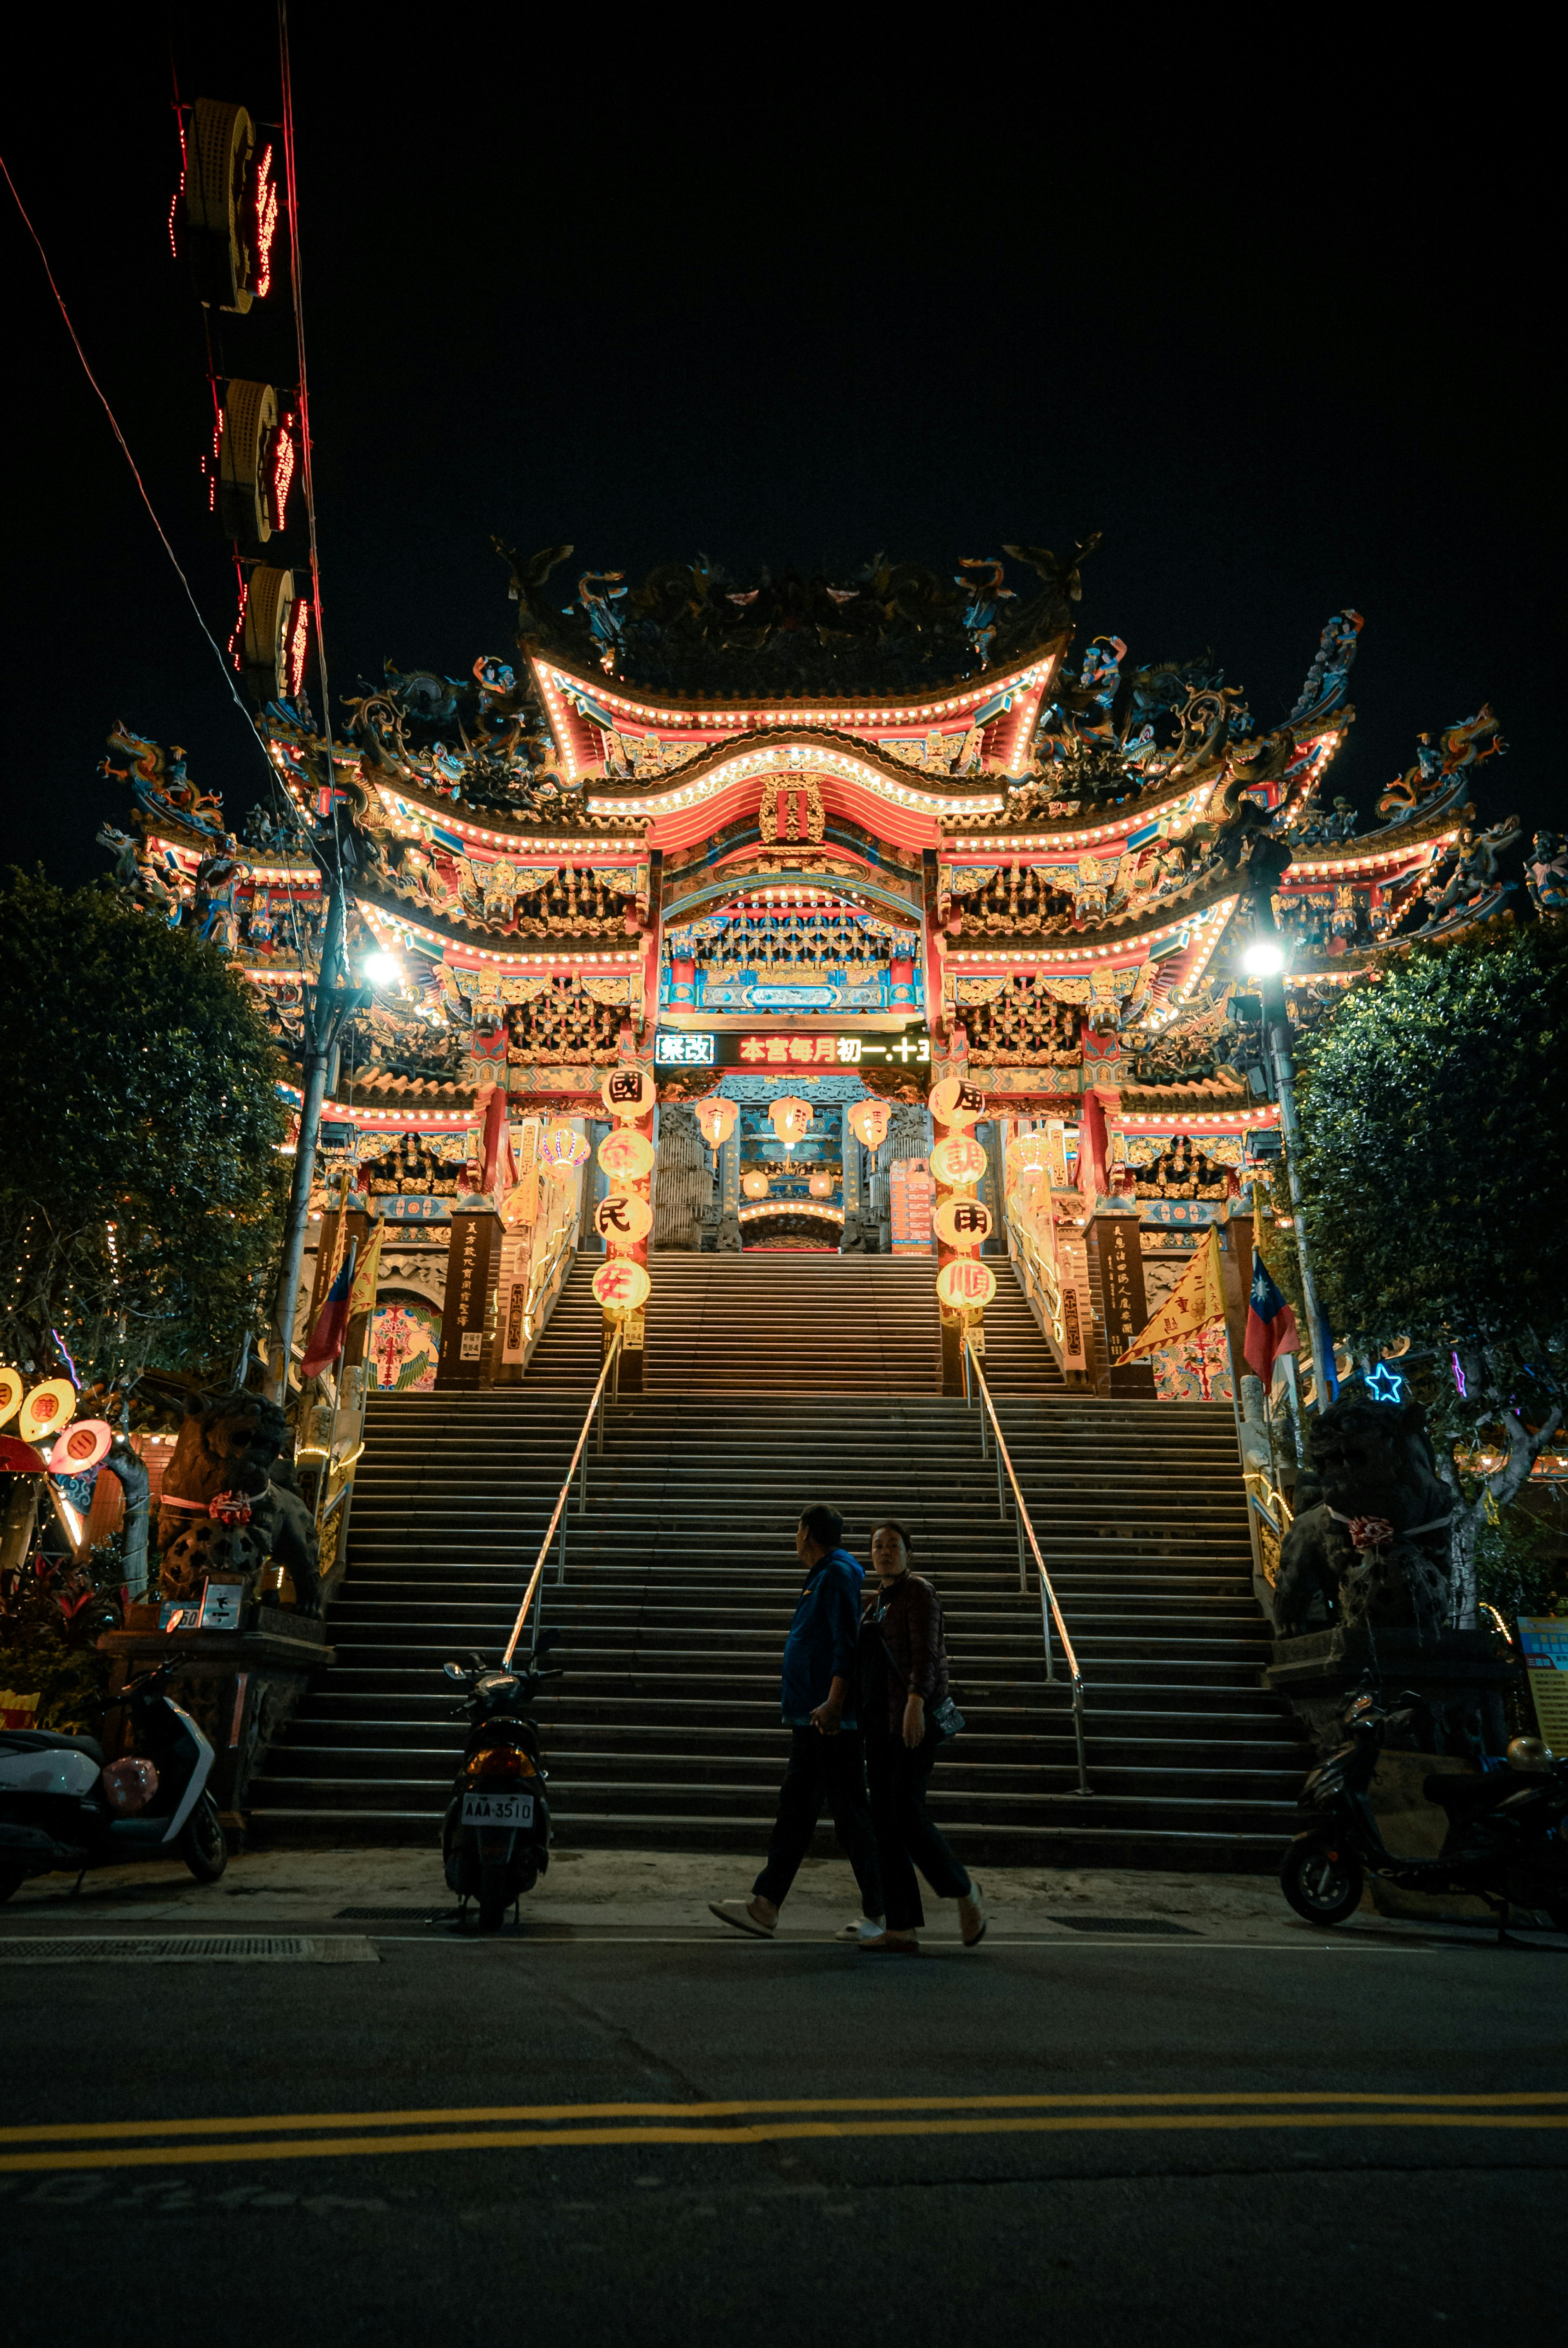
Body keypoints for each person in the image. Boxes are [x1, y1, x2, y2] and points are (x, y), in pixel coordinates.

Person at [710, 1504, 884, 1940]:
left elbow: (847, 1643)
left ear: (806, 1533)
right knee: (799, 1809)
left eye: (798, 1529)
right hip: (816, 1717)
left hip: (830, 1720)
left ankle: (885, 1913)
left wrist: (833, 1703)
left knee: (849, 1814)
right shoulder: (827, 1574)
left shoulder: (838, 1574)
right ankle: (766, 1904)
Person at [858, 1521, 985, 1955]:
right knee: (886, 1823)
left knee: (907, 1814)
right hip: (880, 1728)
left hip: (913, 1722)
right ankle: (902, 1925)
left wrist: (915, 1702)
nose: (885, 1551)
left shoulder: (919, 1593)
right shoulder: (875, 1604)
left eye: (893, 1545)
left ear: (909, 1552)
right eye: (878, 1546)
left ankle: (965, 1890)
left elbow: (927, 1655)